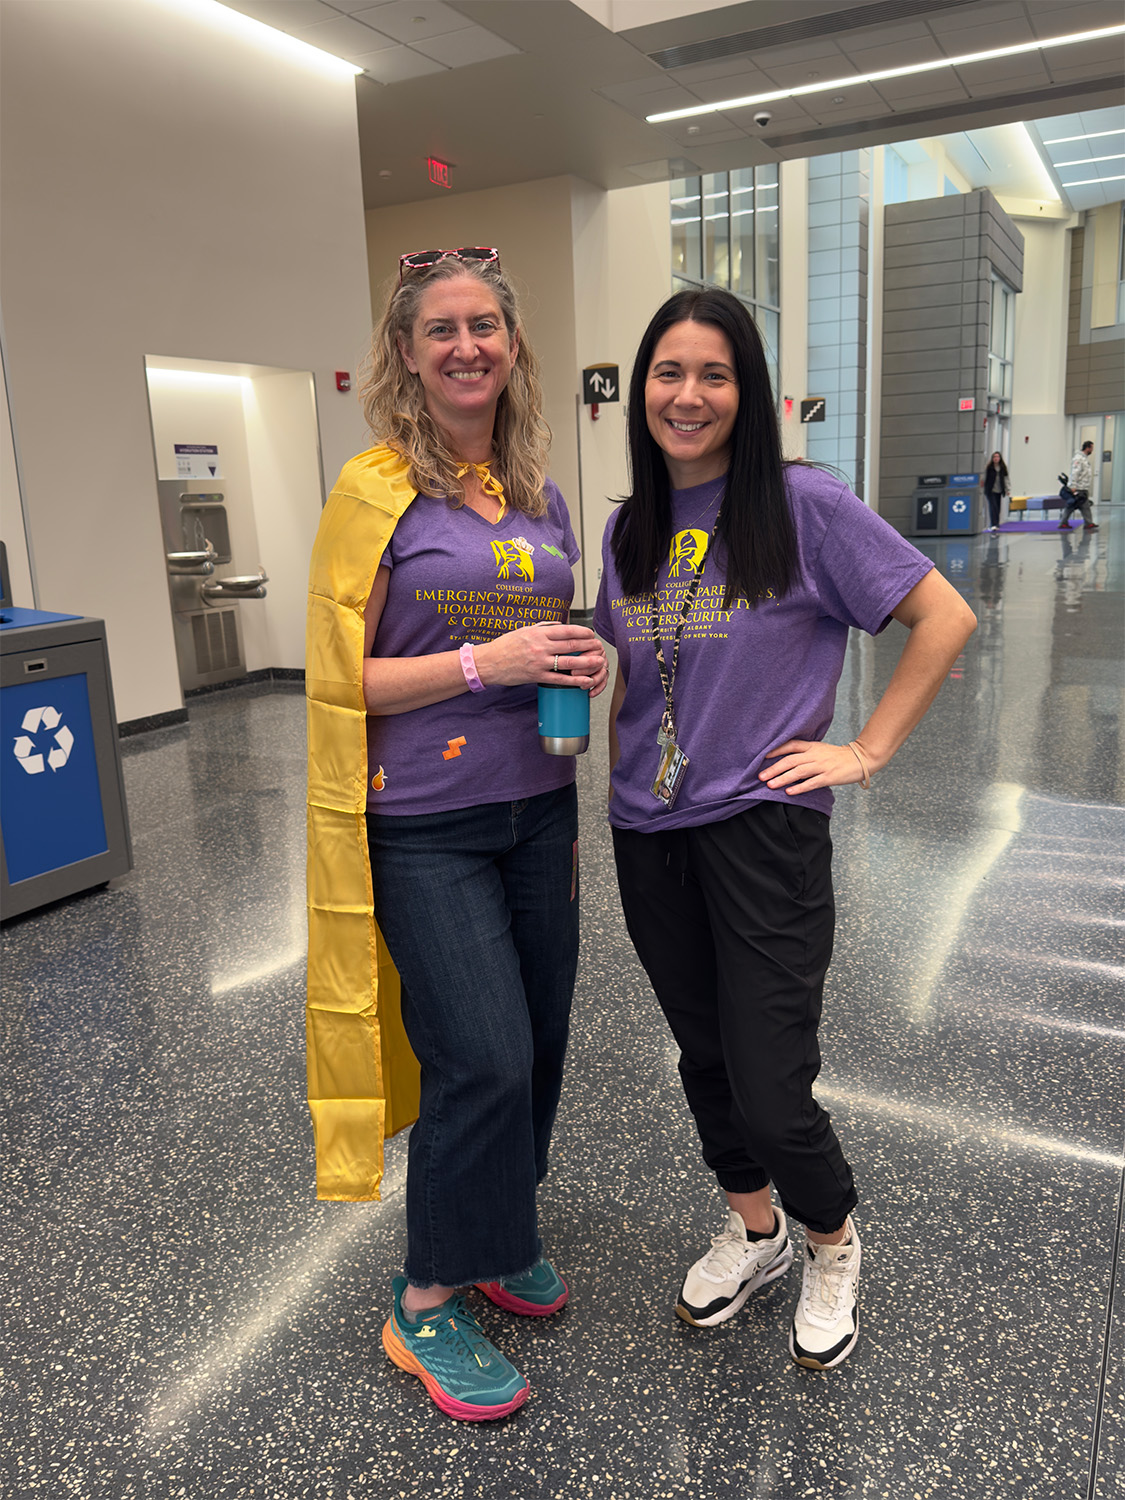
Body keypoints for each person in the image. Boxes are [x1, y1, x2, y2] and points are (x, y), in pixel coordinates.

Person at [594, 288, 976, 1371]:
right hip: (645, 826)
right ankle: (754, 1228)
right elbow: (632, 663)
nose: (689, 394)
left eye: (715, 374)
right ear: (642, 390)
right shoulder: (632, 524)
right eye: (669, 372)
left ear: (749, 393)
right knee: (704, 1057)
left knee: (770, 1075)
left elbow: (943, 615)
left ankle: (831, 1240)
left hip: (762, 831)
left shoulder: (803, 506)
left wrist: (864, 751)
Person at [305, 247, 608, 1422]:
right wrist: (487, 660)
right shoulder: (374, 489)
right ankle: (425, 1300)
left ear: (514, 345)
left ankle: (497, 1231)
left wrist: (580, 657)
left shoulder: (539, 489)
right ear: (405, 355)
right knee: (476, 1050)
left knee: (533, 1040)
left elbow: (558, 639)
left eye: (485, 324)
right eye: (442, 330)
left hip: (541, 807)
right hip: (425, 823)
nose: (467, 346)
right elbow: (341, 677)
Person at [1059, 440, 1098, 530]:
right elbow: (1075, 473)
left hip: (1083, 487)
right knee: (1072, 505)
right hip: (1078, 487)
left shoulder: (1084, 459)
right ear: (1087, 448)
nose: (1092, 450)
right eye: (1091, 448)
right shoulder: (1078, 459)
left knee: (1085, 506)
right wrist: (1073, 486)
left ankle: (1088, 523)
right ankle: (1064, 522)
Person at [983, 451, 1009, 532]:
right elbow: (985, 477)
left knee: (997, 507)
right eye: (994, 457)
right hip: (990, 490)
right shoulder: (989, 467)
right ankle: (993, 524)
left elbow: (1006, 479)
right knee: (993, 506)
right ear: (992, 458)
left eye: (997, 457)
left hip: (999, 490)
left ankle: (996, 523)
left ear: (1000, 458)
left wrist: (1007, 489)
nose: (996, 458)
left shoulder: (1002, 468)